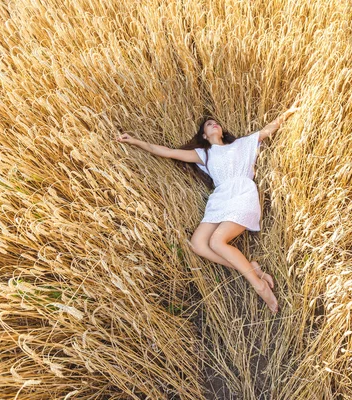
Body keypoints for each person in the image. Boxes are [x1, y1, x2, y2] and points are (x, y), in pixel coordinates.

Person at [115, 100, 300, 314]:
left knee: (217, 241)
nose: (214, 125)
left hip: (241, 192)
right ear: (204, 136)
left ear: (221, 131)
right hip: (220, 199)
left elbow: (268, 129)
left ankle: (260, 286)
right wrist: (135, 141)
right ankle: (254, 271)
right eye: (208, 124)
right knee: (198, 244)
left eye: (216, 123)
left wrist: (287, 113)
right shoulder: (205, 155)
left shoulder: (241, 144)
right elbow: (166, 151)